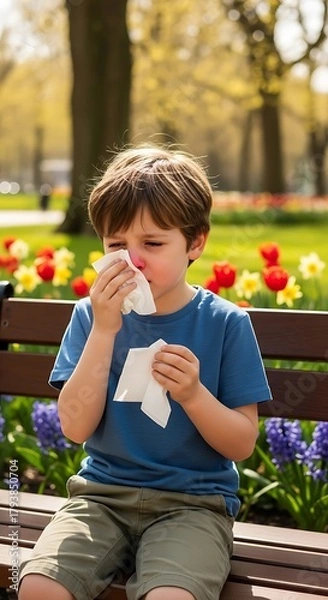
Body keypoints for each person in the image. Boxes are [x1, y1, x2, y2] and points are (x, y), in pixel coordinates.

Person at [18, 145, 272, 600]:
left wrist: (194, 395)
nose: (131, 260)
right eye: (117, 245)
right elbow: (75, 428)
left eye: (152, 244)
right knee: (38, 586)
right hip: (101, 497)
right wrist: (105, 331)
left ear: (195, 242)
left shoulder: (225, 324)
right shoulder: (89, 316)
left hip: (193, 506)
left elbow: (241, 443)